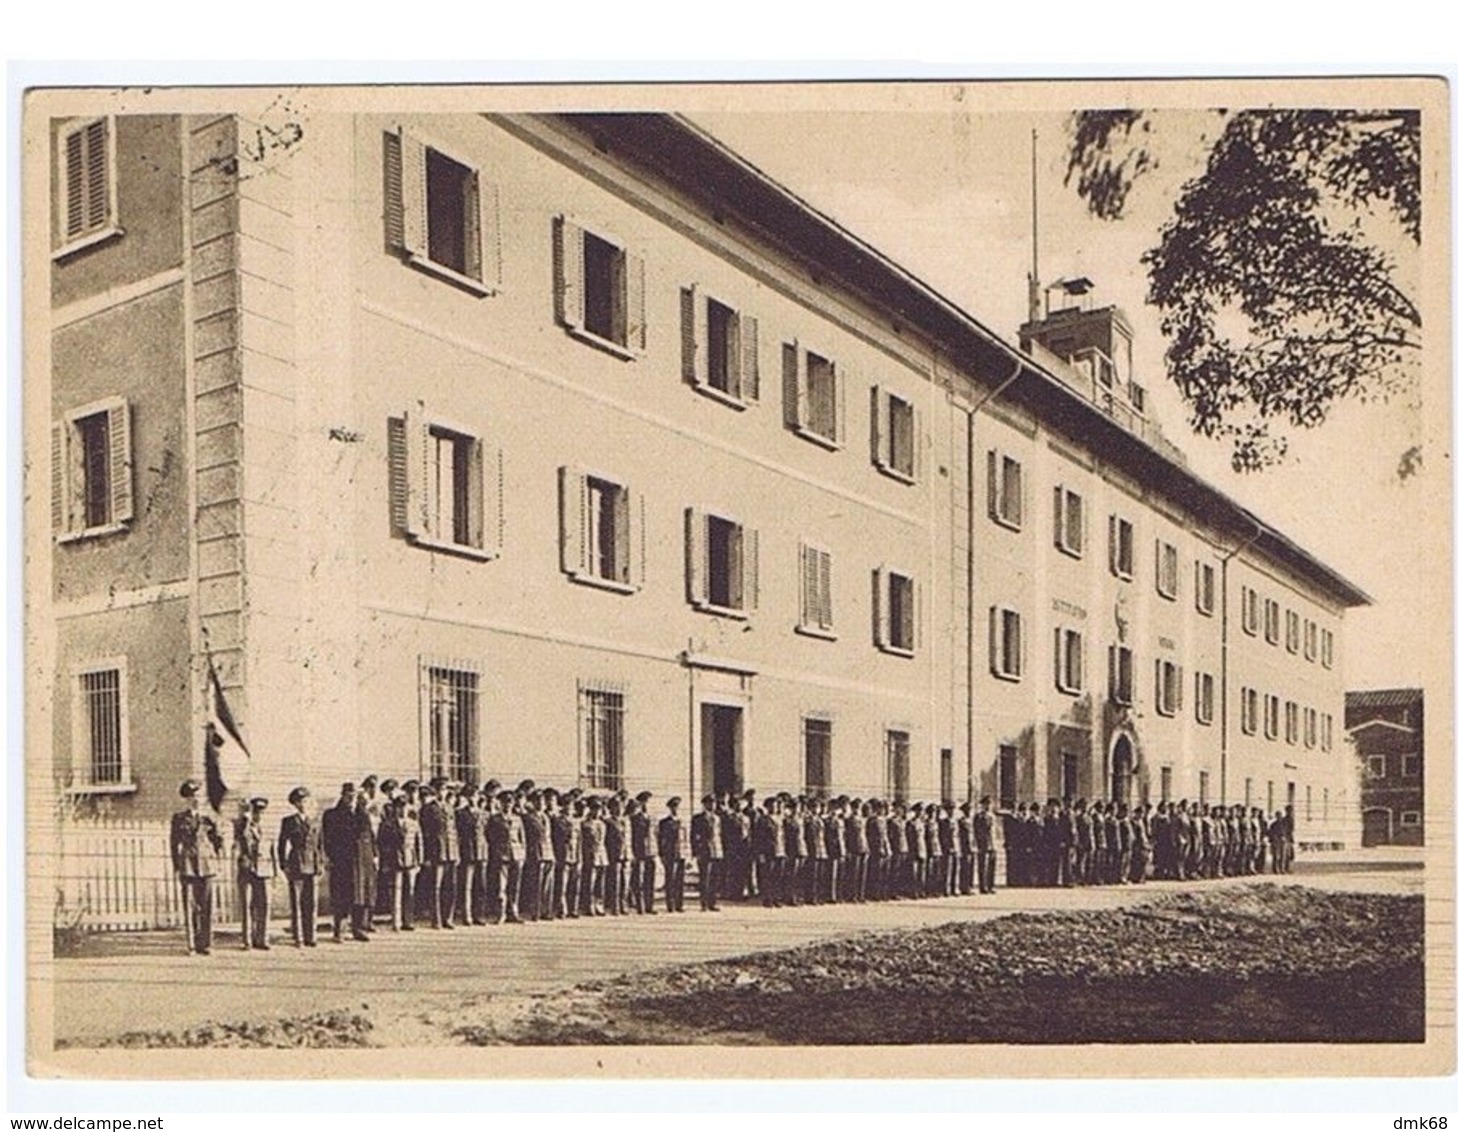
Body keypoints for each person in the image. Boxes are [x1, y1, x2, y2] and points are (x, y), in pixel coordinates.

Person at [170, 778, 224, 956]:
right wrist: (177, 866)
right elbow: (174, 843)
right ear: (186, 800)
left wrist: (214, 858)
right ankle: (191, 944)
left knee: (207, 906)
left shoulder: (209, 819)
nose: (195, 800)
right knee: (190, 906)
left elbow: (218, 841)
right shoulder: (178, 819)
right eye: (191, 797)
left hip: (207, 866)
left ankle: (206, 944)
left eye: (198, 796)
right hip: (188, 866)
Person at [277, 785, 321, 947]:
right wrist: (284, 865)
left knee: (312, 903)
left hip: (312, 865)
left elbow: (319, 845)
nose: (303, 804)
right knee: (297, 903)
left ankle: (311, 936)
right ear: (295, 804)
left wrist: (319, 864)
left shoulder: (314, 821)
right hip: (296, 864)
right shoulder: (288, 821)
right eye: (300, 802)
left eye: (305, 801)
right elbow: (281, 845)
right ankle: (299, 937)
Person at [234, 796, 276, 949]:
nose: (259, 816)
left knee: (265, 905)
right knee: (247, 906)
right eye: (256, 812)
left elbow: (272, 851)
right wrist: (245, 818)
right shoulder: (242, 826)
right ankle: (247, 940)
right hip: (247, 870)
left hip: (265, 870)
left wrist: (275, 873)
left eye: (262, 812)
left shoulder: (269, 829)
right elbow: (241, 837)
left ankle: (262, 939)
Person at [418, 782, 458, 929]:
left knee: (451, 886)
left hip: (451, 851)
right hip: (437, 852)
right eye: (440, 789)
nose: (443, 792)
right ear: (435, 791)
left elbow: (454, 831)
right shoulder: (428, 809)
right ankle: (437, 919)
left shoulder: (449, 807)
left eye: (445, 789)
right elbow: (425, 834)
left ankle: (448, 918)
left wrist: (456, 852)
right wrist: (427, 856)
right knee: (436, 887)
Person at [486, 789, 525, 923]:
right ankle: (501, 913)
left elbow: (522, 838)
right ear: (500, 803)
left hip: (517, 855)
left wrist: (522, 854)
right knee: (501, 886)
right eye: (505, 802)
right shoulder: (495, 819)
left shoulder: (517, 819)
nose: (508, 805)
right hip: (501, 855)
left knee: (515, 886)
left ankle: (513, 912)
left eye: (510, 802)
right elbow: (490, 838)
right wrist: (496, 853)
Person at [690, 795, 724, 911]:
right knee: (705, 878)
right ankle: (703, 903)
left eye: (714, 803)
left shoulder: (717, 818)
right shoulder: (698, 818)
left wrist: (720, 850)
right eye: (710, 803)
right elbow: (694, 836)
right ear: (704, 804)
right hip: (705, 851)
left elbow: (719, 835)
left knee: (715, 878)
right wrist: (696, 852)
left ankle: (712, 903)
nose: (713, 805)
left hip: (716, 851)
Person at [658, 796, 690, 913]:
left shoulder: (682, 822)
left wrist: (688, 854)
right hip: (670, 854)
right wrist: (662, 855)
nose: (676, 809)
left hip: (681, 854)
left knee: (680, 881)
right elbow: (661, 840)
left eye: (678, 807)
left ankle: (679, 904)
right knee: (670, 879)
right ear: (670, 808)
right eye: (674, 807)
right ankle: (670, 905)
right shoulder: (665, 823)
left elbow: (686, 839)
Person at [629, 791, 658, 914]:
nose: (646, 805)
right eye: (644, 802)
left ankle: (649, 906)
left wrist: (657, 851)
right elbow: (631, 837)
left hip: (651, 852)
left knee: (650, 880)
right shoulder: (634, 819)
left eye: (648, 802)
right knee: (638, 880)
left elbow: (656, 835)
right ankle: (639, 906)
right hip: (639, 852)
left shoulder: (652, 818)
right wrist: (633, 853)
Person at [972, 796, 1000, 894]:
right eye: (986, 804)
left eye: (989, 804)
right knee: (983, 866)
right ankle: (982, 886)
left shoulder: (993, 816)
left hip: (992, 844)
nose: (988, 806)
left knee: (992, 866)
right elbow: (976, 832)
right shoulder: (979, 817)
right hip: (983, 844)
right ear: (982, 805)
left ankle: (990, 885)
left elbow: (996, 831)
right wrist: (977, 844)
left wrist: (995, 844)